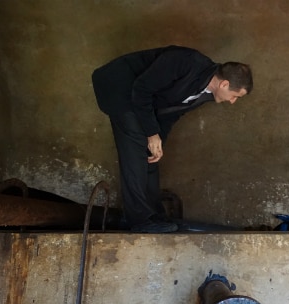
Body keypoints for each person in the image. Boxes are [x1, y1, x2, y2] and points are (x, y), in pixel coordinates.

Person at [92, 45, 253, 233]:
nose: (232, 102)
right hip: (120, 86)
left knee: (150, 155)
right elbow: (142, 89)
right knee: (134, 153)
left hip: (143, 102)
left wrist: (158, 141)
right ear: (224, 84)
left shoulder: (207, 93)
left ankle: (153, 215)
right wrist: (151, 134)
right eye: (235, 96)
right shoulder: (186, 62)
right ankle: (139, 220)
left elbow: (171, 113)